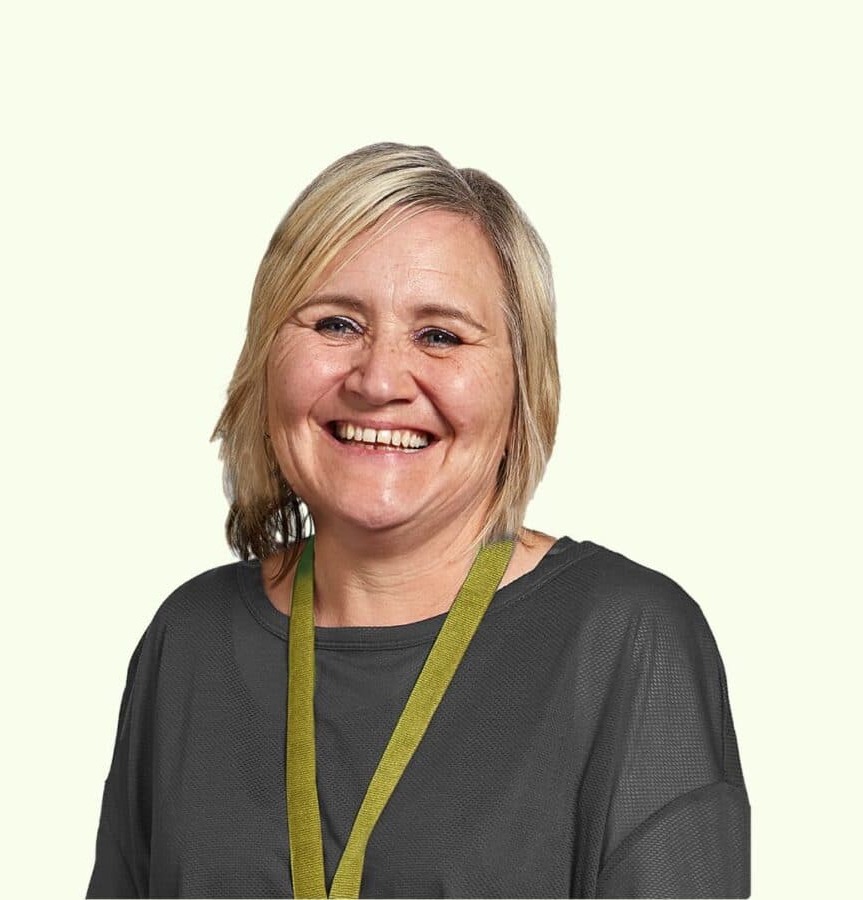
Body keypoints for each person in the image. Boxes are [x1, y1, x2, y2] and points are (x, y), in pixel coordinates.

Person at [85, 142, 751, 899]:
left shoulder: (624, 640)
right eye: (336, 323)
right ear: (268, 355)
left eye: (439, 335)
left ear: (521, 381)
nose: (377, 380)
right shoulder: (190, 639)